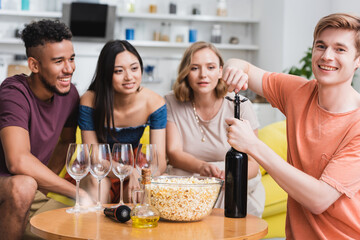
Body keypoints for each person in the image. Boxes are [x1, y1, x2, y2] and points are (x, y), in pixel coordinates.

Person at [223, 13, 360, 239]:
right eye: (321, 46)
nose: (327, 56)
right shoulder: (297, 91)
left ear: (357, 60)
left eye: (340, 49)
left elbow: (319, 199)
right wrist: (233, 69)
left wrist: (253, 145)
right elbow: (242, 66)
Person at [0, 19, 92, 240]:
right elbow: (18, 161)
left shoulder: (70, 95)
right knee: (24, 185)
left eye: (71, 59)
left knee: (86, 214)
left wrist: (45, 182)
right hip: (9, 183)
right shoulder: (14, 94)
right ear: (34, 65)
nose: (69, 68)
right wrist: (76, 192)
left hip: (30, 188)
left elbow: (66, 142)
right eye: (58, 61)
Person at [165, 41, 265, 217]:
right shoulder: (171, 102)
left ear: (220, 71)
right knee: (180, 175)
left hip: (233, 178)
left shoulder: (240, 105)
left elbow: (253, 165)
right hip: (191, 177)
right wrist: (203, 168)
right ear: (185, 72)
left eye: (210, 67)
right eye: (194, 68)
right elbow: (173, 153)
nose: (203, 75)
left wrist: (228, 176)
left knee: (225, 185)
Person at [77, 40, 167, 203]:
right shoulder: (90, 100)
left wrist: (138, 174)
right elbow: (94, 159)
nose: (129, 77)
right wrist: (127, 170)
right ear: (106, 73)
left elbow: (159, 161)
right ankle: (94, 227)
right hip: (101, 167)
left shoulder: (154, 102)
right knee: (96, 182)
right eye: (118, 71)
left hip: (134, 164)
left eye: (134, 68)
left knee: (139, 190)